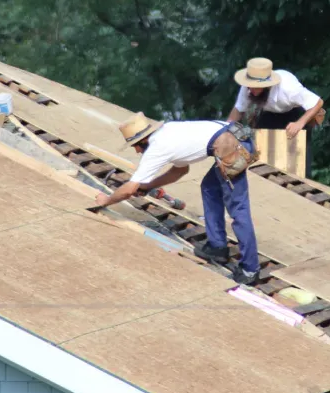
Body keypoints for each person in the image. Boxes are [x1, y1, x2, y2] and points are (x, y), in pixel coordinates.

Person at [95, 112, 262, 285]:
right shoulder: (168, 132)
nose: (136, 151)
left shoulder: (156, 148)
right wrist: (148, 186)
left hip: (232, 146)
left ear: (143, 140)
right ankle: (217, 247)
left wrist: (106, 200)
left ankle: (250, 269)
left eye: (135, 146)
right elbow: (179, 171)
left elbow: (128, 189)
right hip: (234, 137)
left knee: (238, 210)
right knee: (209, 188)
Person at [227, 57, 326, 139]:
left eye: (254, 86)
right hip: (268, 114)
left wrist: (299, 123)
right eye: (249, 85)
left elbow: (318, 102)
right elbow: (238, 110)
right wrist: (225, 129)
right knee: (259, 144)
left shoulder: (288, 88)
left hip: (294, 113)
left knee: (299, 150)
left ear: (266, 85)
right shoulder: (248, 87)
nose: (250, 89)